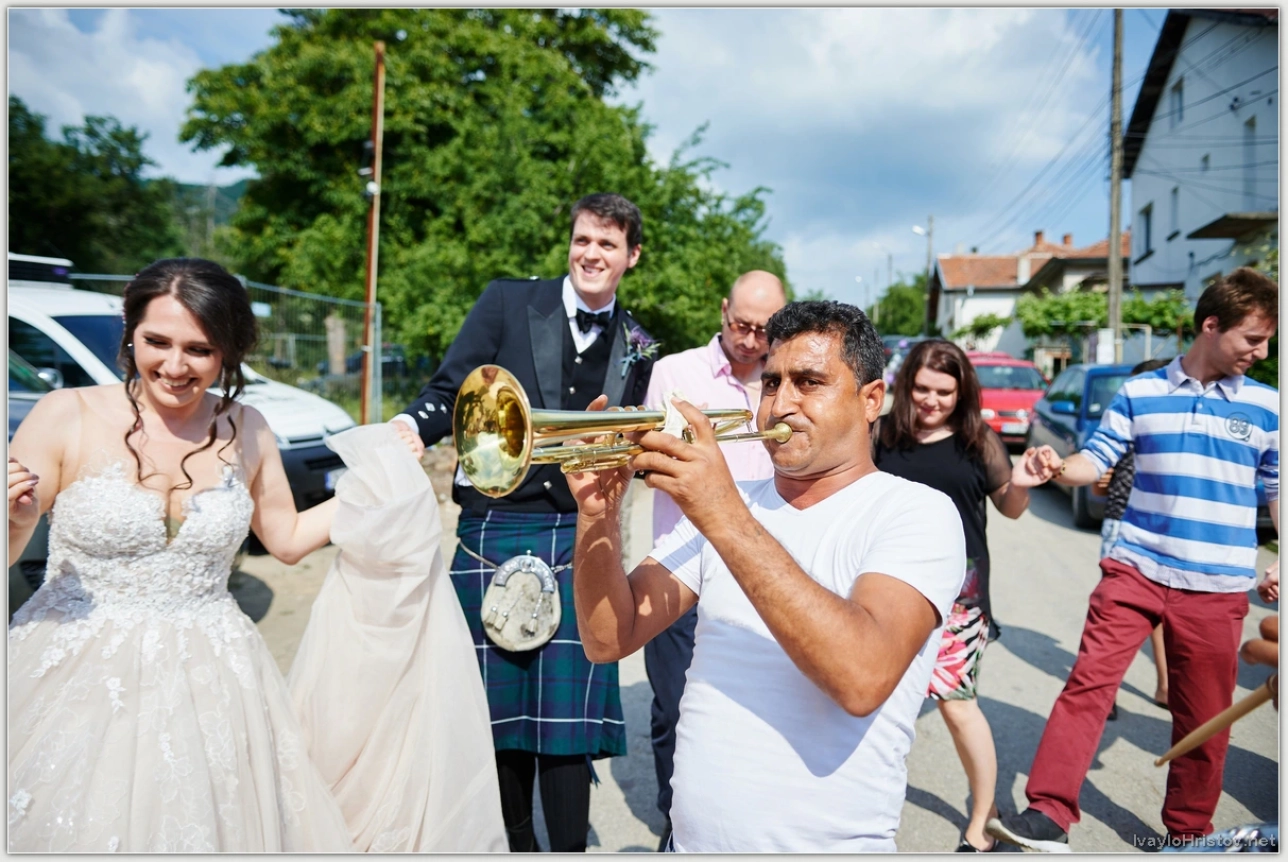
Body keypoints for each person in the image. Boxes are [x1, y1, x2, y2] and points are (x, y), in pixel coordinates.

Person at [566, 300, 972, 851]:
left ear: (871, 399)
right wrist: (597, 517)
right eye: (772, 383)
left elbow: (861, 676)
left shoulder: (916, 512)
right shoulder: (731, 508)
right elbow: (609, 637)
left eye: (810, 382)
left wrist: (721, 511)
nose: (781, 405)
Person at [6, 258, 365, 851]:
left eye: (198, 350)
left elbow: (289, 539)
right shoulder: (64, 413)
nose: (173, 367)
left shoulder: (247, 426)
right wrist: (16, 520)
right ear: (130, 334)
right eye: (156, 342)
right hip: (76, 673)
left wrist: (375, 483)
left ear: (228, 351)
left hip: (213, 676)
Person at [390, 192, 654, 852]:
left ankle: (563, 849)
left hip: (578, 536)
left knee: (564, 726)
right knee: (497, 716)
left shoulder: (640, 345)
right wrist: (410, 427)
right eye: (583, 239)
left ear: (632, 256)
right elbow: (450, 388)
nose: (592, 253)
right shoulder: (508, 302)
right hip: (493, 522)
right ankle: (514, 843)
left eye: (608, 244)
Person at [987, 267, 1279, 852]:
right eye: (1253, 338)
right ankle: (1047, 814)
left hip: (1217, 584)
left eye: (1268, 340)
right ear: (1211, 325)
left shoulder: (1270, 406)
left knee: (1203, 718)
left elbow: (1277, 490)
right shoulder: (1140, 394)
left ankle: (1187, 834)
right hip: (1135, 568)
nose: (1263, 351)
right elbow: (1095, 461)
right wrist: (1055, 468)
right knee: (1087, 687)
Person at [639, 269, 786, 848]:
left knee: (746, 712)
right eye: (740, 325)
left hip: (757, 573)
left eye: (762, 330)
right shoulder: (674, 373)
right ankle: (676, 824)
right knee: (675, 711)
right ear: (723, 311)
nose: (749, 340)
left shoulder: (784, 382)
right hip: (682, 565)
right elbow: (650, 470)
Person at [873, 339, 1035, 852]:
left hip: (960, 598)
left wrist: (1024, 481)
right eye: (922, 387)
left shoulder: (976, 439)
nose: (931, 400)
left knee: (957, 706)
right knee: (870, 700)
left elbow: (1010, 507)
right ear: (905, 385)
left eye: (944, 390)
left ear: (960, 390)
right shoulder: (881, 434)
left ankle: (982, 819)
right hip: (886, 585)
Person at [1096, 357, 1172, 720]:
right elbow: (1101, 471)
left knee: (1129, 612)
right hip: (1126, 521)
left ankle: (1159, 686)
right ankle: (1115, 692)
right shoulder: (1142, 421)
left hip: (1132, 522)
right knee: (1127, 611)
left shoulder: (1145, 420)